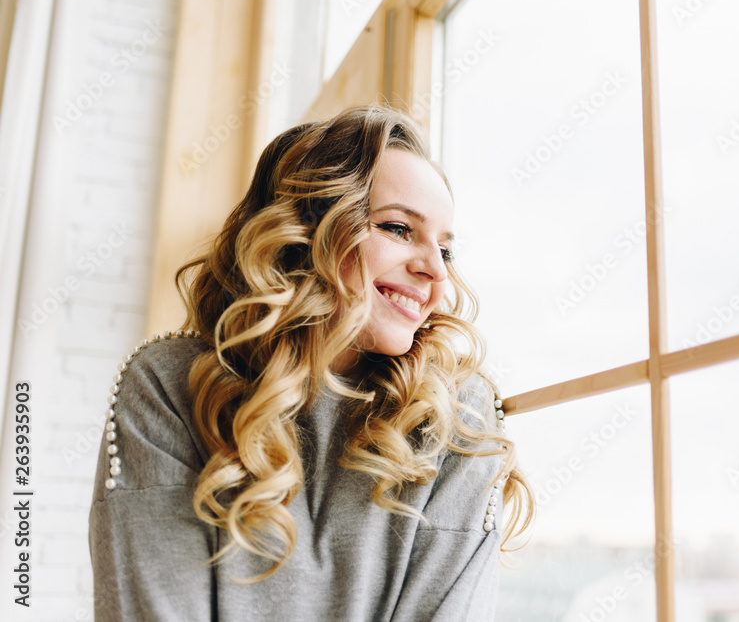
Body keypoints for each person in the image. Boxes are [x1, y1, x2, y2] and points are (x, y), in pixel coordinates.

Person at [88, 105, 535, 621]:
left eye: (446, 249)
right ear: (308, 229)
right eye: (397, 228)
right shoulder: (168, 385)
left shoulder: (458, 410)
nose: (434, 269)